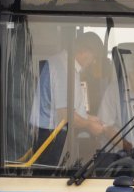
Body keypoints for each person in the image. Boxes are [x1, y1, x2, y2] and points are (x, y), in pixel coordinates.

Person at [28, 32, 109, 165]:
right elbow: (65, 114)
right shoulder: (63, 69)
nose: (93, 61)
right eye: (94, 57)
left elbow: (68, 107)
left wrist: (88, 118)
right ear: (83, 51)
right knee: (49, 179)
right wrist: (89, 125)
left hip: (52, 133)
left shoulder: (67, 65)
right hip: (49, 136)